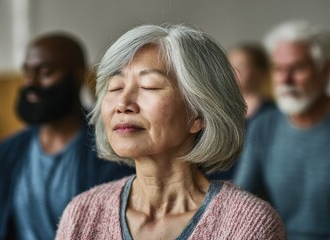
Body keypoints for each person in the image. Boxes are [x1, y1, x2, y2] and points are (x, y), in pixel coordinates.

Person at [56, 24, 286, 239]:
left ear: (199, 115)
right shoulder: (82, 213)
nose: (122, 103)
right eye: (115, 87)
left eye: (149, 87)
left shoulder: (247, 226)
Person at [0, 33, 134, 240]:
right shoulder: (8, 152)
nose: (31, 83)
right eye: (27, 72)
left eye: (45, 72)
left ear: (77, 76)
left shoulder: (109, 152)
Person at [234, 20, 330, 240]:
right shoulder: (264, 126)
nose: (286, 80)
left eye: (297, 68)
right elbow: (241, 201)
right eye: (278, 69)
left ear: (325, 70)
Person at [208, 42, 275, 180]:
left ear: (260, 72)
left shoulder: (273, 114)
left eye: (241, 66)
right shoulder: (216, 111)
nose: (233, 71)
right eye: (229, 65)